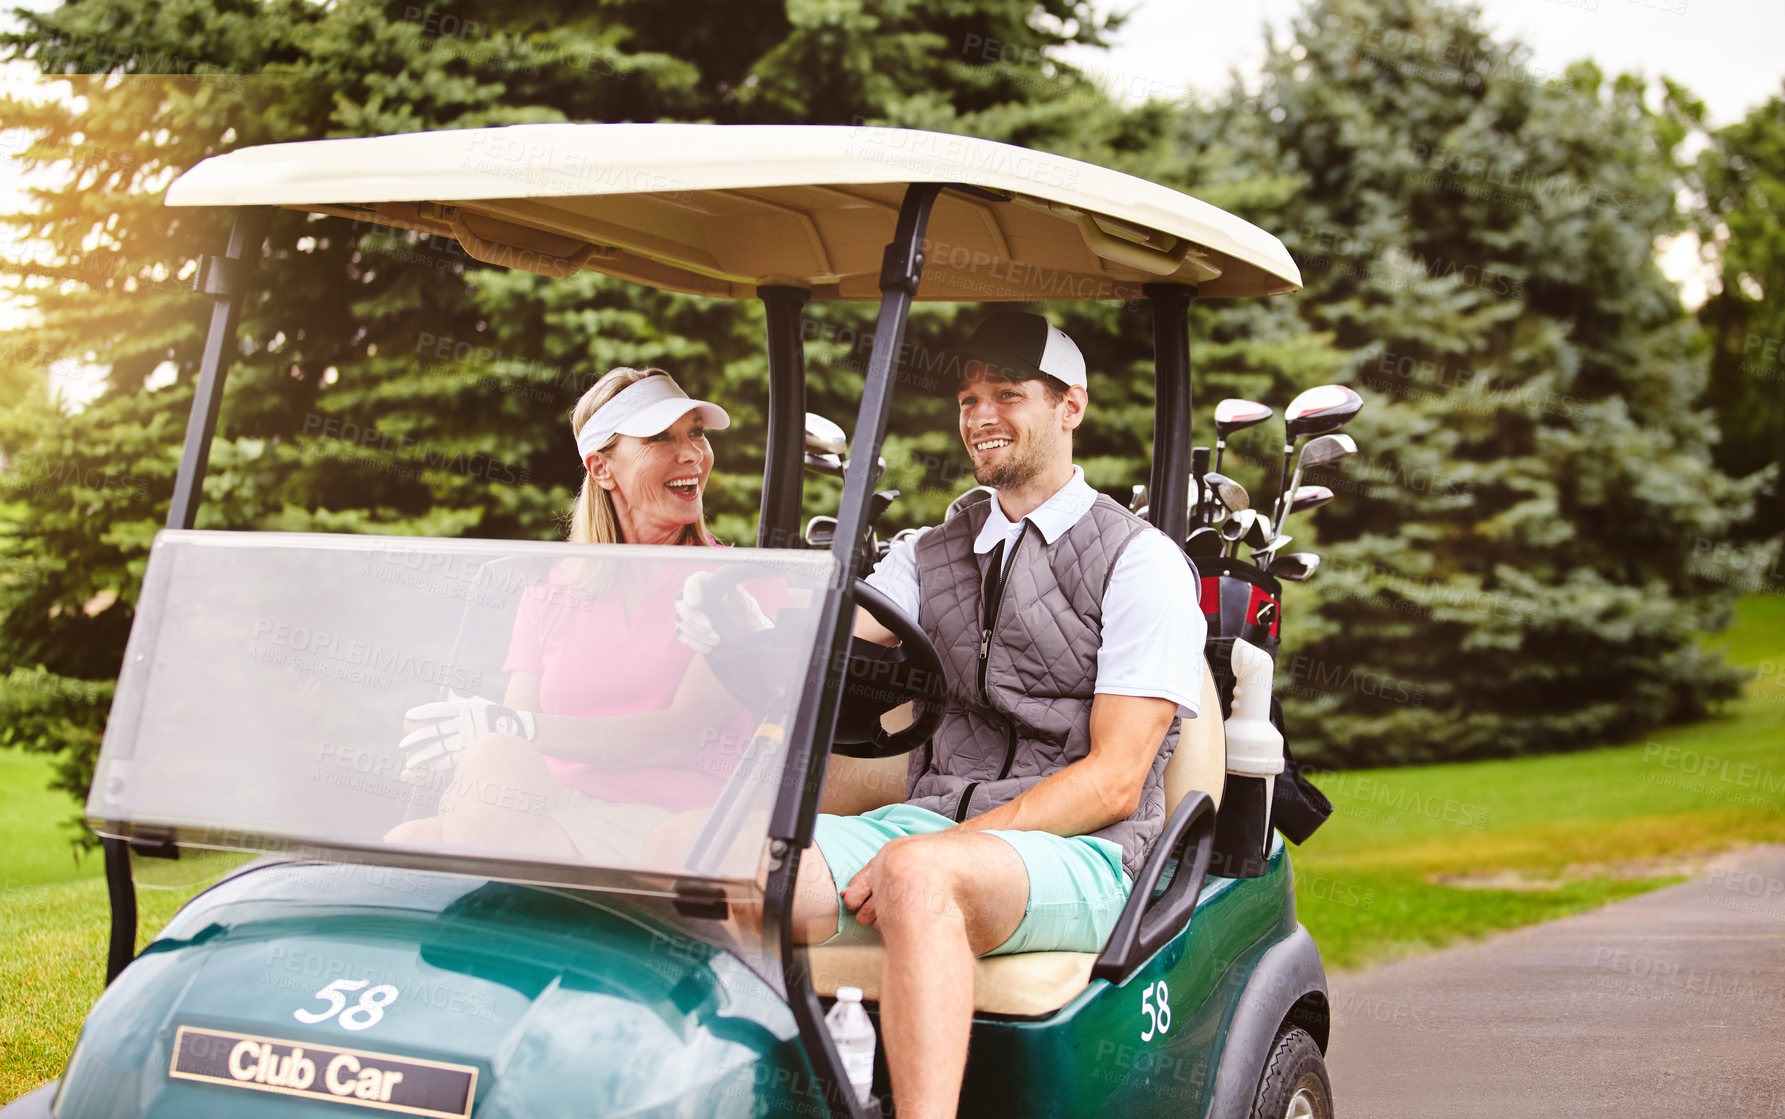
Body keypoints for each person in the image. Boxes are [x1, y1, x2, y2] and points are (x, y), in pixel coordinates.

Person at [684, 311, 1205, 1119]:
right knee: (726, 863)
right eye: (967, 399)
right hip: (929, 822)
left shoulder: (1139, 562)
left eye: (1007, 393)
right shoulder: (929, 551)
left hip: (1088, 851)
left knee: (917, 877)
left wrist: (940, 845)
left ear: (1072, 406)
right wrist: (749, 641)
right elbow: (836, 653)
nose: (980, 416)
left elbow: (1113, 780)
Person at [386, 366, 770, 863]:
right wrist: (458, 741)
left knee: (450, 847)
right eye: (660, 437)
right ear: (601, 468)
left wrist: (512, 727)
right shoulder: (552, 592)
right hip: (557, 803)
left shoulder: (733, 584)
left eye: (695, 432)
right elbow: (514, 735)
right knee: (414, 835)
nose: (693, 452)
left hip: (669, 819)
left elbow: (684, 736)